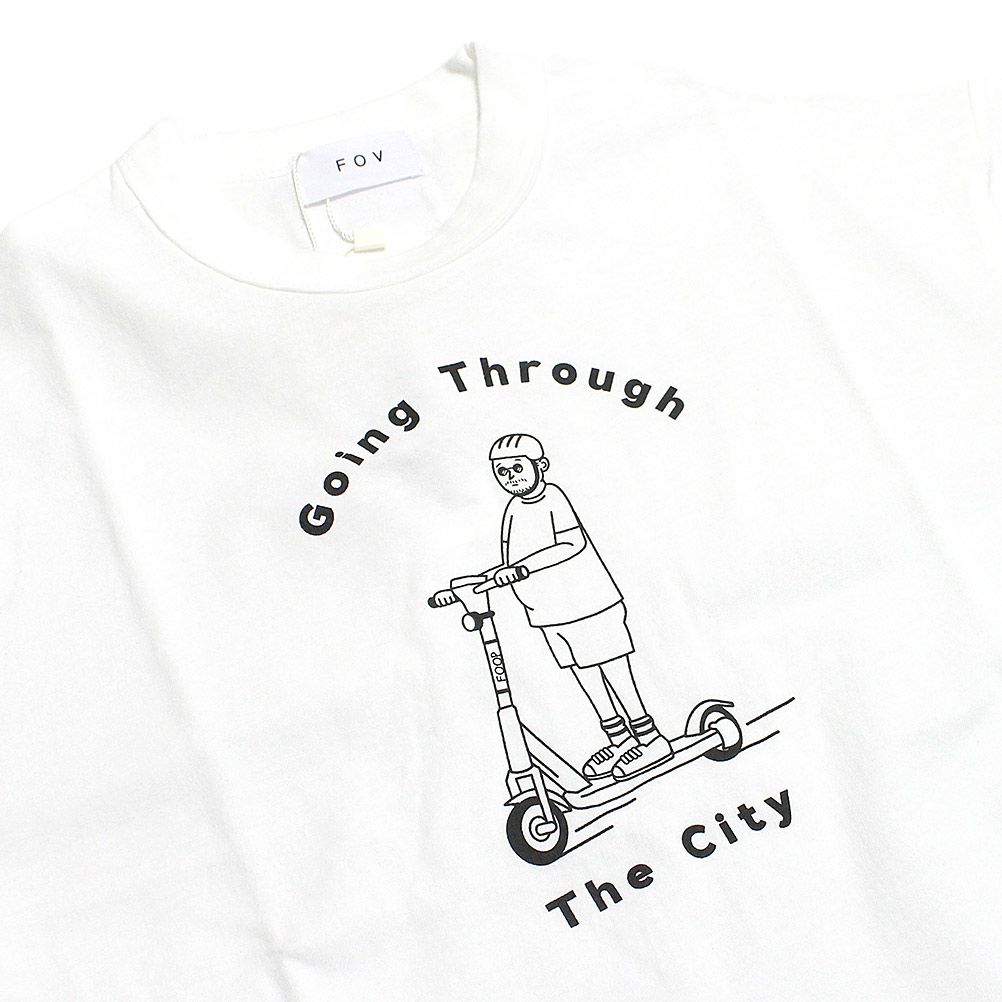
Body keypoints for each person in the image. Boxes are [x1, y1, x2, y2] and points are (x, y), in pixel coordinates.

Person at [480, 433, 673, 779]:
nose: (510, 478)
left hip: (589, 606)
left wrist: (522, 569)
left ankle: (650, 738)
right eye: (502, 472)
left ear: (540, 466)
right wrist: (490, 577)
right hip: (548, 614)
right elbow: (512, 558)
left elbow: (571, 542)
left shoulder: (553, 498)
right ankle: (619, 739)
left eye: (517, 468)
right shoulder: (513, 509)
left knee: (613, 667)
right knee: (583, 673)